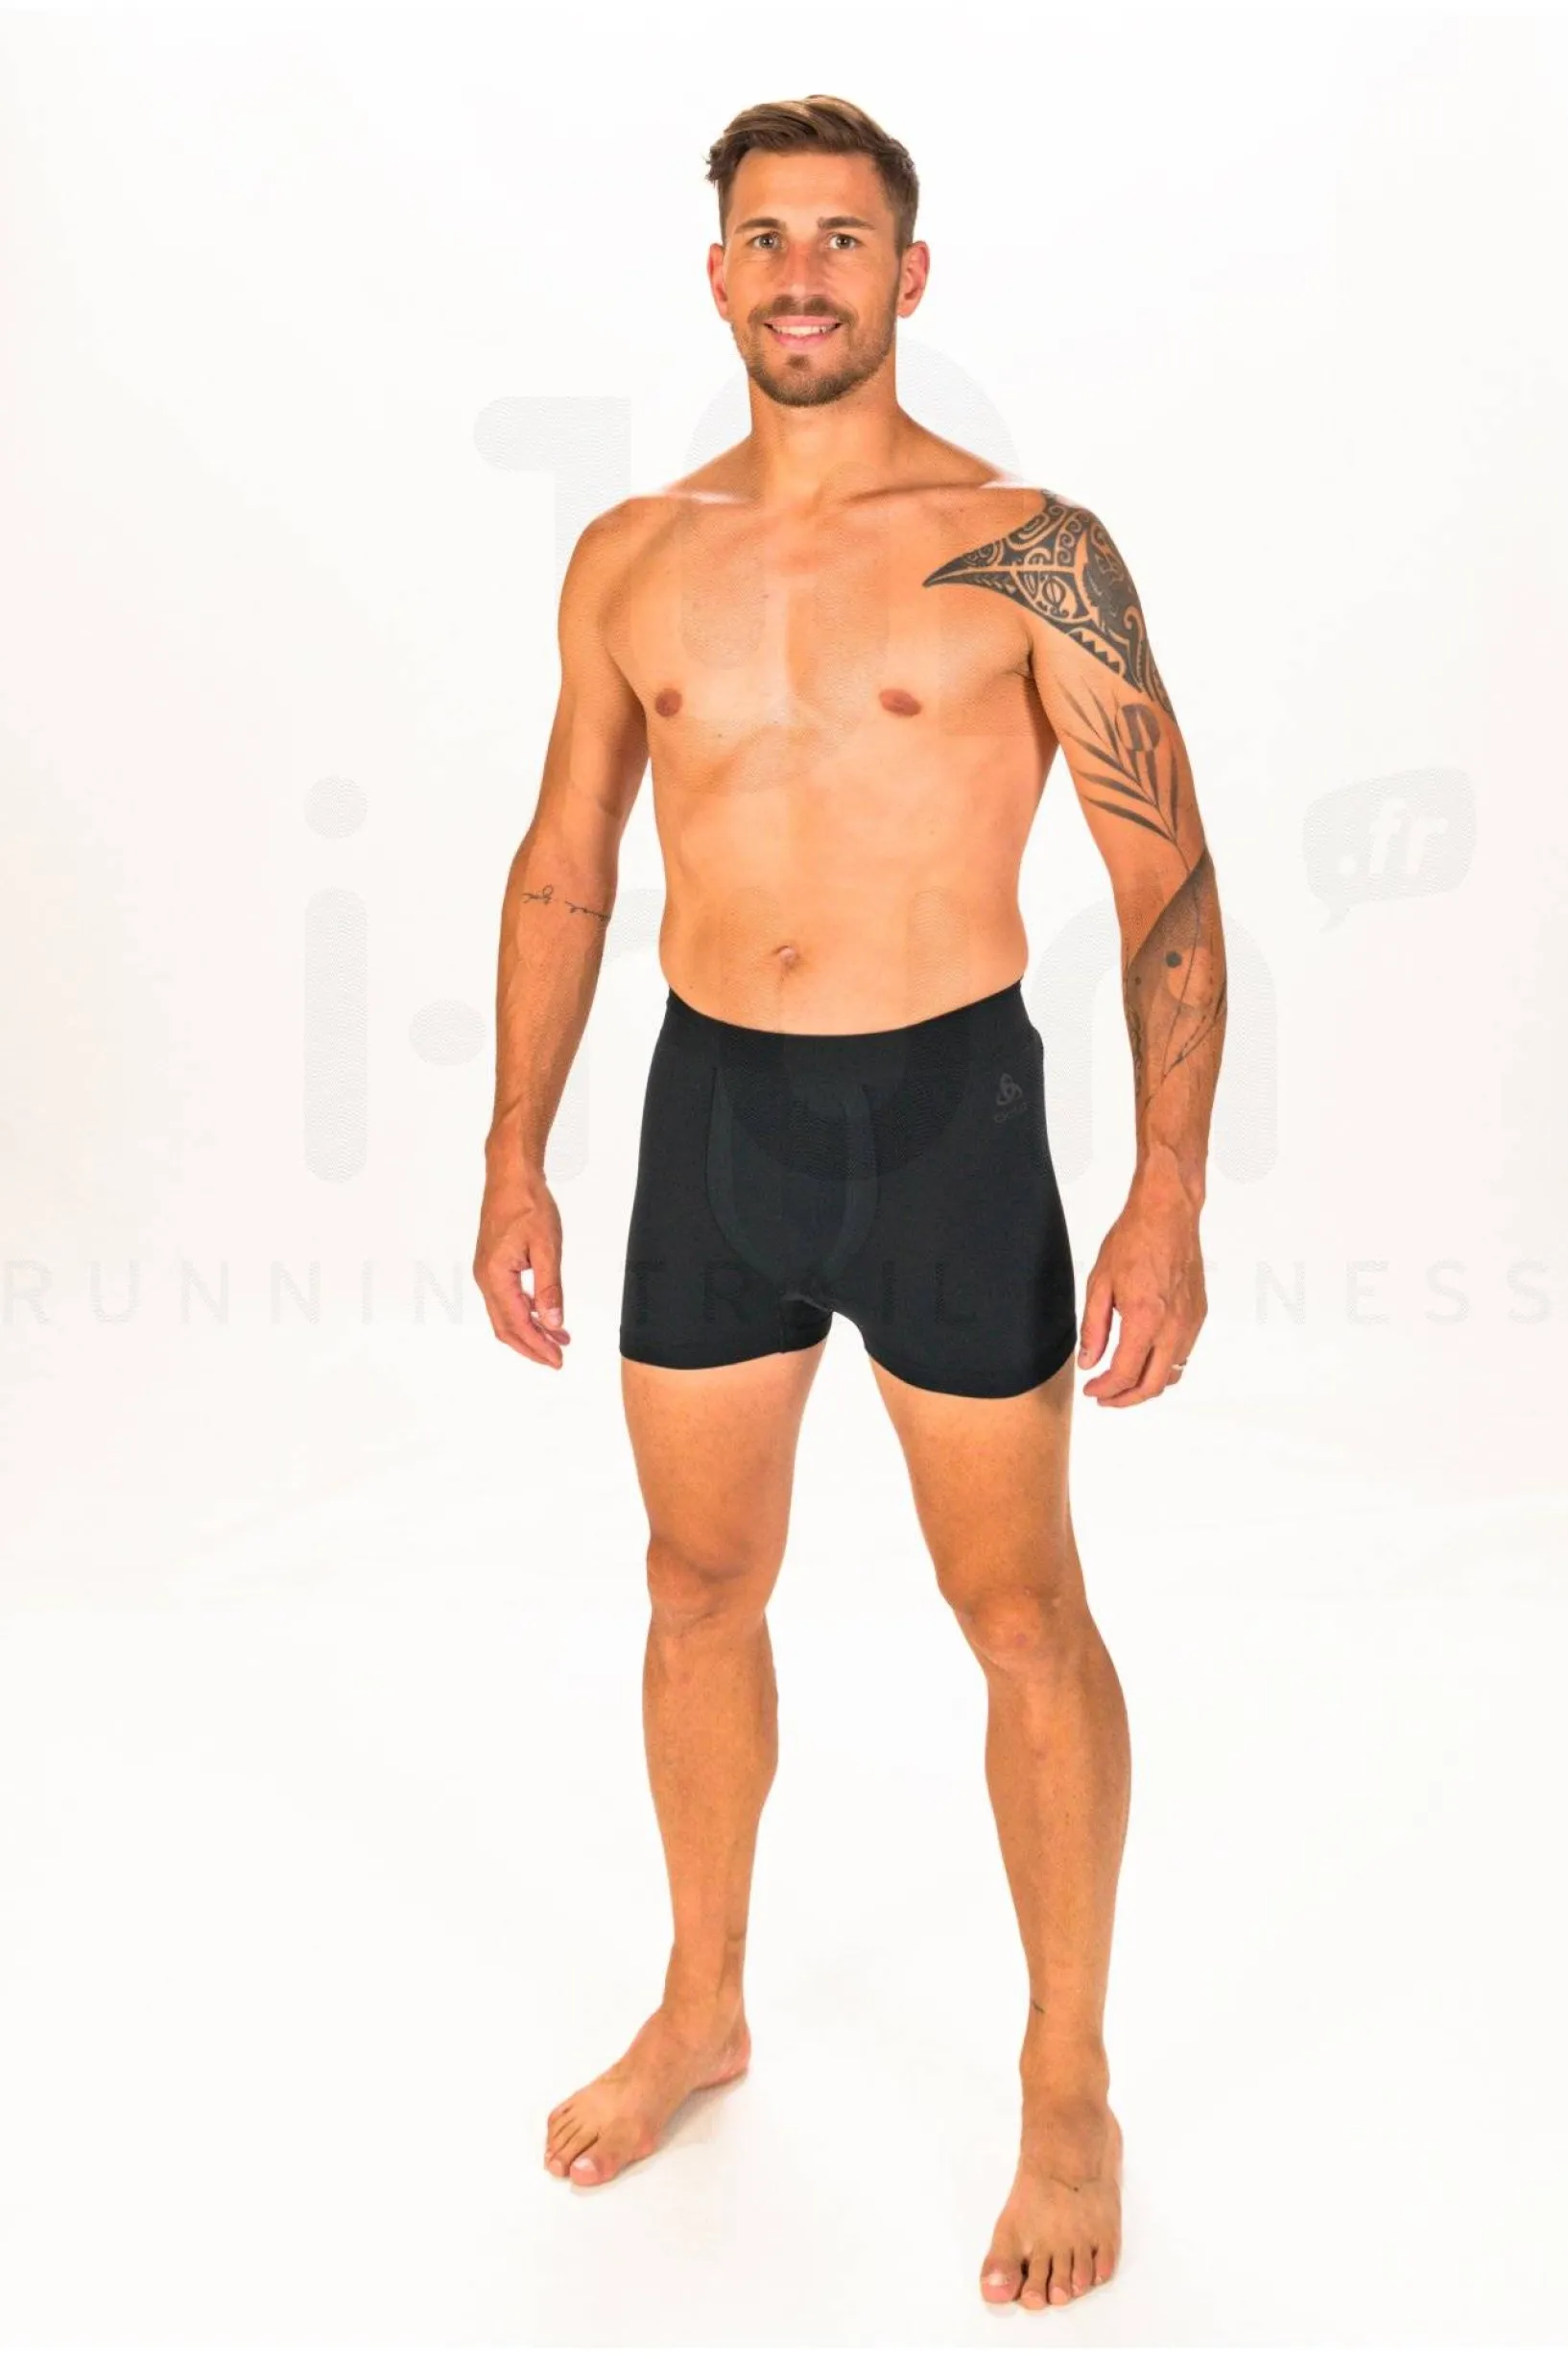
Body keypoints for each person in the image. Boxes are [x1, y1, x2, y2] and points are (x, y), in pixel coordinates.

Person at [473, 92, 1227, 2314]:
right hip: (715, 1118)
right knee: (694, 1579)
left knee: (1021, 1614)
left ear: (909, 275)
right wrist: (513, 1142)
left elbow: (1165, 880)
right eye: (765, 236)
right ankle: (703, 2000)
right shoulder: (630, 554)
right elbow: (564, 859)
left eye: (842, 237)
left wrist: (1166, 1190)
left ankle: (1067, 2076)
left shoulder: (1031, 551)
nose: (801, 271)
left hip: (946, 1123)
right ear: (716, 274)